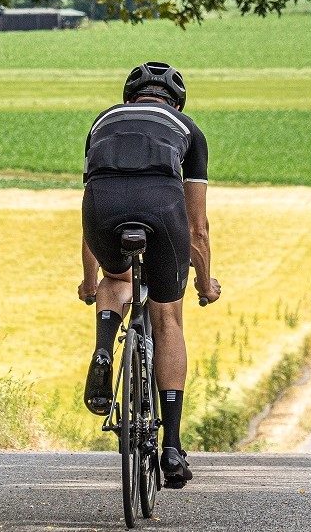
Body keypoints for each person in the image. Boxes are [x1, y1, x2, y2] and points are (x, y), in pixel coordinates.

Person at [80, 61, 220, 488]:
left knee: (117, 280)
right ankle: (172, 446)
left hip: (103, 209)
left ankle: (104, 347)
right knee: (168, 318)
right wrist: (204, 282)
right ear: (176, 102)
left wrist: (90, 280)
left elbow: (90, 199)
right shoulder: (188, 128)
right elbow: (197, 226)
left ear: (129, 98)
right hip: (162, 208)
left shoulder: (102, 121)